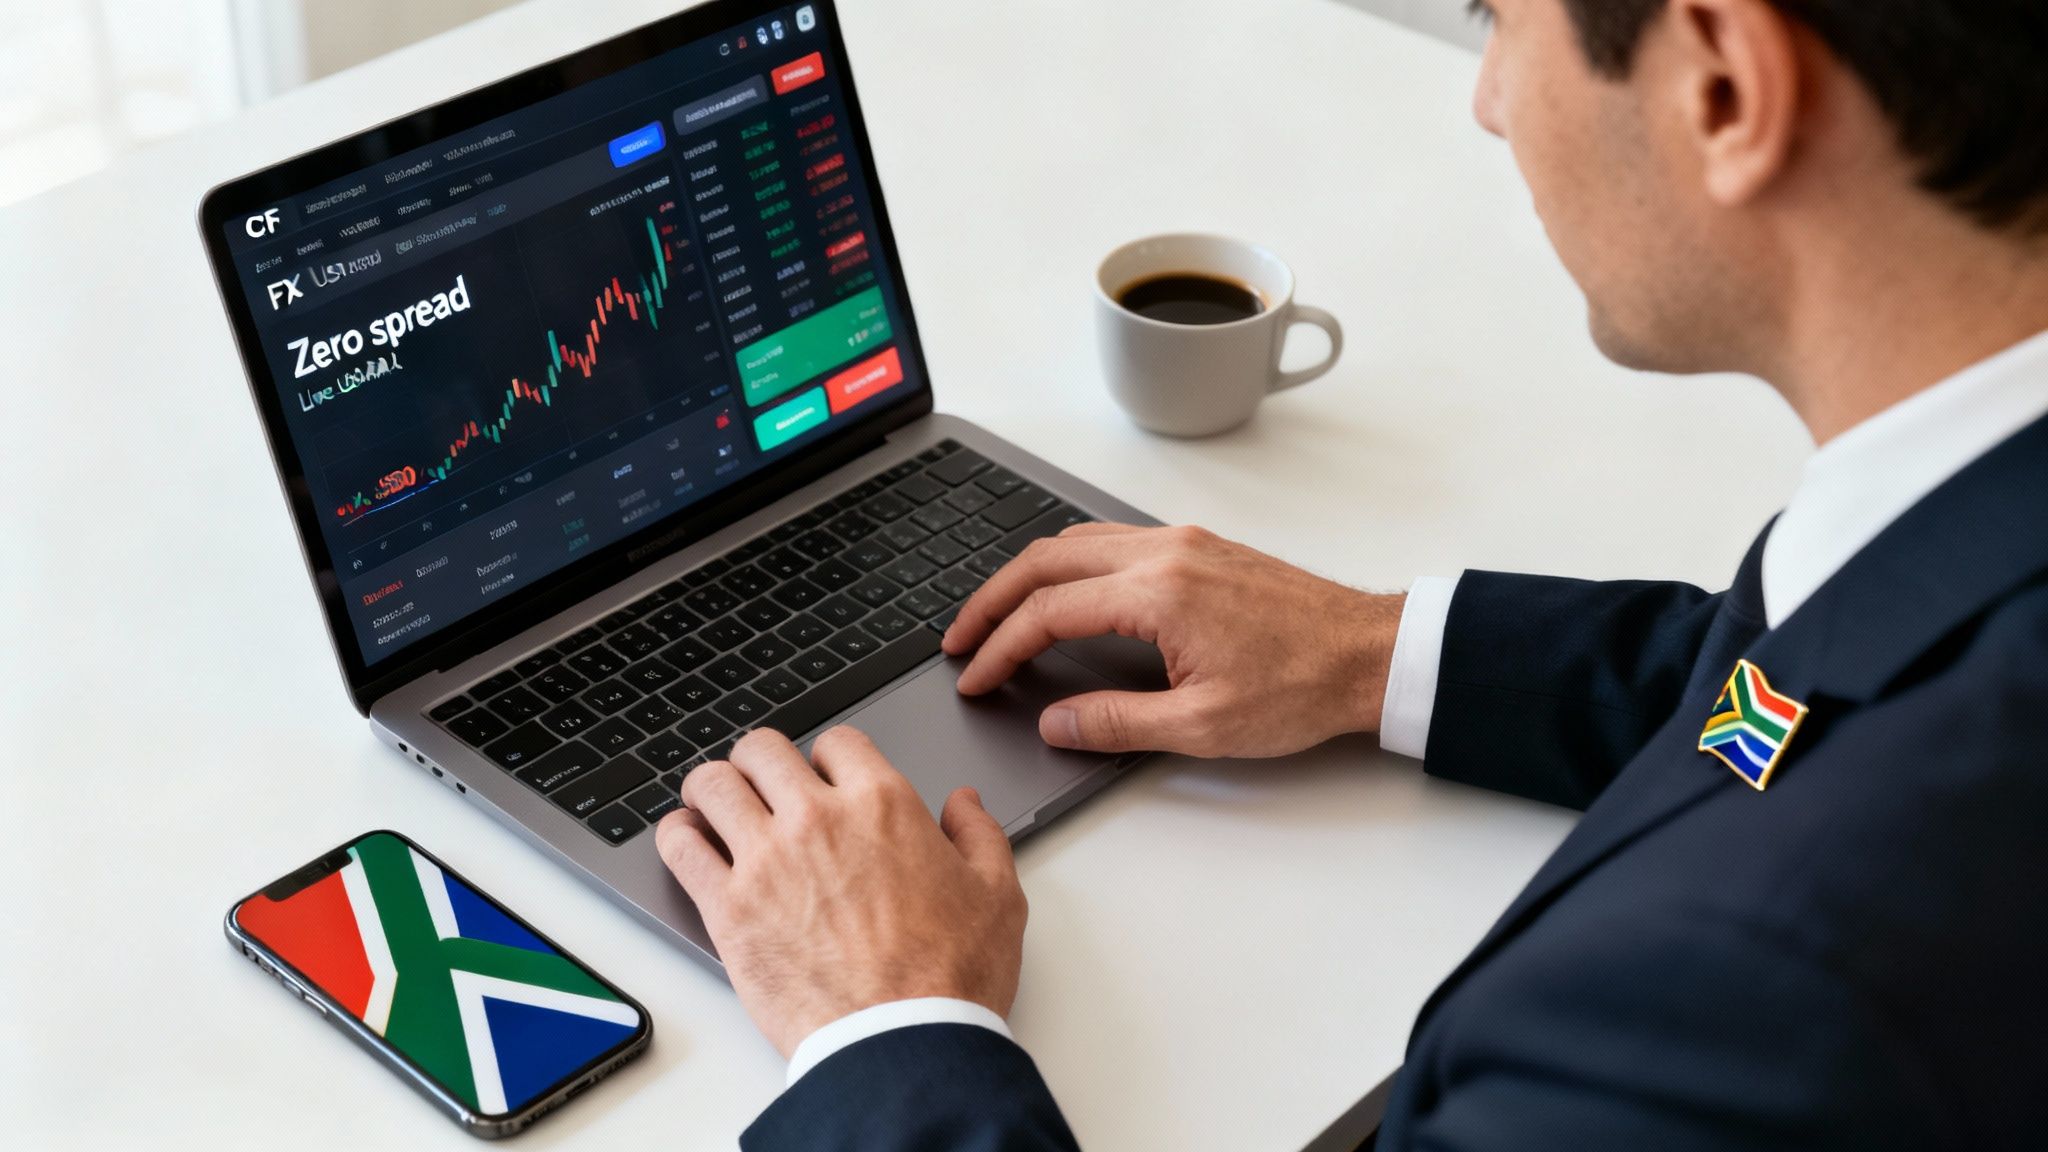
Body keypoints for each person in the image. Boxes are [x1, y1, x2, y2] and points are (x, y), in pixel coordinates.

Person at [654, 0, 2048, 1145]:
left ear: (1728, 90)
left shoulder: (1722, 1017)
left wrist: (889, 1026)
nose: (1488, 98)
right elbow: (1788, 710)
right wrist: (1376, 654)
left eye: (1501, 19)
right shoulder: (1959, 533)